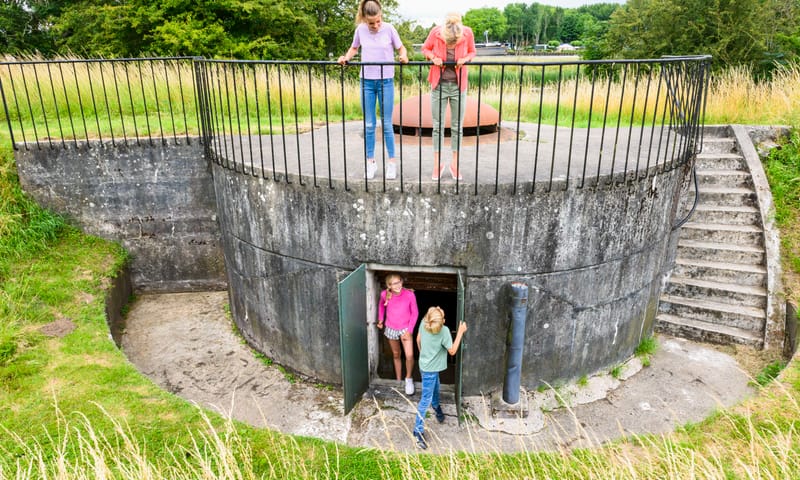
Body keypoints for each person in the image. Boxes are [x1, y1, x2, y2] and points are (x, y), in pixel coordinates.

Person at [338, 0, 408, 181]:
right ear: (364, 18)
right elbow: (354, 48)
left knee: (386, 124)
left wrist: (403, 55)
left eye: (378, 21)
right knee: (369, 125)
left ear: (381, 16)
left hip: (386, 81)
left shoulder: (390, 29)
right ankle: (371, 162)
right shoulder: (360, 30)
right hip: (367, 82)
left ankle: (391, 162)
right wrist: (345, 58)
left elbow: (401, 47)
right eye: (371, 23)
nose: (376, 25)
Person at [421, 13, 476, 181]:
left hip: (459, 86)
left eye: (454, 43)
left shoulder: (467, 33)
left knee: (457, 126)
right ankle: (437, 165)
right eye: (449, 42)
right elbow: (425, 48)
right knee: (437, 126)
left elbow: (473, 51)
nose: (451, 45)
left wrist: (465, 58)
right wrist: (433, 58)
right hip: (439, 85)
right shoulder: (435, 32)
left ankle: (454, 164)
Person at [412, 306, 467, 450]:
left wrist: (424, 355)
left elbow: (418, 340)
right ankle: (417, 431)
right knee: (425, 400)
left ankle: (436, 407)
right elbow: (452, 351)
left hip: (425, 366)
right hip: (430, 370)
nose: (439, 308)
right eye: (442, 314)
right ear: (441, 321)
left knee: (436, 386)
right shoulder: (444, 331)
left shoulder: (424, 324)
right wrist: (460, 332)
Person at [377, 273, 419, 395]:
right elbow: (381, 306)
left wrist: (409, 330)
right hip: (391, 327)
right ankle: (398, 380)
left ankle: (408, 379)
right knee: (396, 354)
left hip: (405, 328)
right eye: (394, 283)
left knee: (409, 355)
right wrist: (380, 319)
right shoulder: (385, 294)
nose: (398, 285)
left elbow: (415, 313)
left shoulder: (409, 295)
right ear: (389, 285)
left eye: (399, 281)